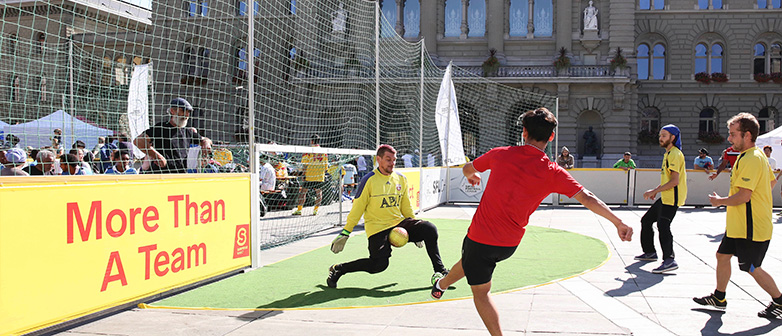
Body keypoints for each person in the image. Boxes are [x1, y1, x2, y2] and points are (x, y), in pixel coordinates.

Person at [430, 108, 633, 336]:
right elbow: (587, 197)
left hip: (481, 238)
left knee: (481, 291)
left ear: (524, 132)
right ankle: (442, 285)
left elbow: (467, 169)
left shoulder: (500, 154)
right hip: (510, 245)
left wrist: (471, 175)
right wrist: (618, 222)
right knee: (470, 262)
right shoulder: (553, 171)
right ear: (552, 136)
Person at [695, 113, 782, 319]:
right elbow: (770, 182)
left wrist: (721, 201)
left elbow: (743, 196)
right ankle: (719, 297)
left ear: (747, 135)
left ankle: (779, 300)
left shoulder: (752, 158)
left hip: (751, 227)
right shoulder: (752, 155)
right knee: (722, 256)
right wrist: (758, 198)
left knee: (751, 267)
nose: (729, 138)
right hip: (739, 225)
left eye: (733, 134)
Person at [327, 144, 448, 288]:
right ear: (379, 159)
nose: (392, 163)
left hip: (398, 223)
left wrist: (417, 228)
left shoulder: (401, 179)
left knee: (429, 228)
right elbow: (357, 209)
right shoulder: (369, 180)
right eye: (388, 159)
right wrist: (346, 232)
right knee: (378, 265)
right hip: (377, 228)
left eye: (394, 160)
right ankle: (339, 269)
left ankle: (441, 272)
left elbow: (406, 207)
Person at [635, 124, 687, 274]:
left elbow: (675, 181)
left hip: (672, 198)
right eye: (660, 135)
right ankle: (650, 252)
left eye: (664, 135)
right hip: (666, 196)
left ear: (673, 137)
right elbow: (668, 180)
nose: (660, 138)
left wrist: (655, 190)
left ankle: (669, 260)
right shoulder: (668, 154)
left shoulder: (675, 154)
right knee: (646, 220)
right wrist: (657, 191)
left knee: (663, 226)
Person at [133, 98, 212, 174]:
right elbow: (138, 141)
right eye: (183, 110)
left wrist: (206, 143)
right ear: (172, 111)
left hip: (180, 175)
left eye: (189, 112)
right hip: (161, 175)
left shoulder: (187, 132)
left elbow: (205, 140)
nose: (187, 115)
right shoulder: (161, 128)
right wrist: (157, 156)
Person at [293, 134, 328, 216]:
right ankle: (315, 210)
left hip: (309, 175)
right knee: (319, 192)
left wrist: (303, 174)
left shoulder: (308, 150)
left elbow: (305, 164)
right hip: (319, 175)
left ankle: (299, 210)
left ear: (311, 141)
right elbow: (326, 165)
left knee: (303, 192)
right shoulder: (324, 151)